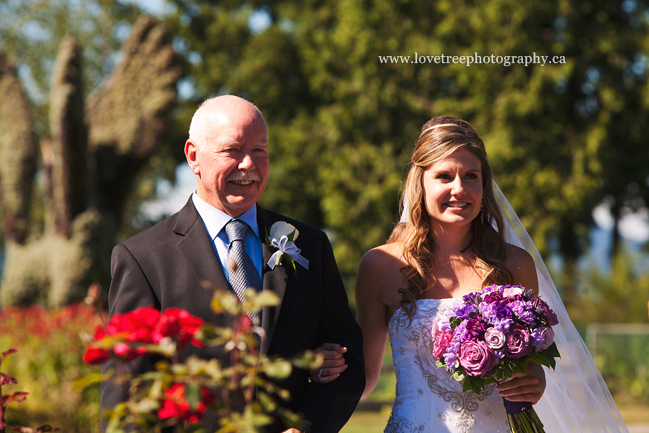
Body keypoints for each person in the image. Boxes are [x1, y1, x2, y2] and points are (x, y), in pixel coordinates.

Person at [322, 116, 628, 432]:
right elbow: (366, 377)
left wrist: (533, 384)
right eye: (444, 176)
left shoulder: (514, 264)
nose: (459, 188)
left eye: (471, 176)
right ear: (420, 182)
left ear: (484, 185)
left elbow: (533, 368)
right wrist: (320, 373)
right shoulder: (380, 266)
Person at [100, 95, 365, 433]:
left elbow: (348, 363)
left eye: (260, 151)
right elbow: (124, 396)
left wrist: (305, 429)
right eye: (232, 150)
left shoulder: (307, 244)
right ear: (193, 156)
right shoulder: (143, 259)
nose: (249, 165)